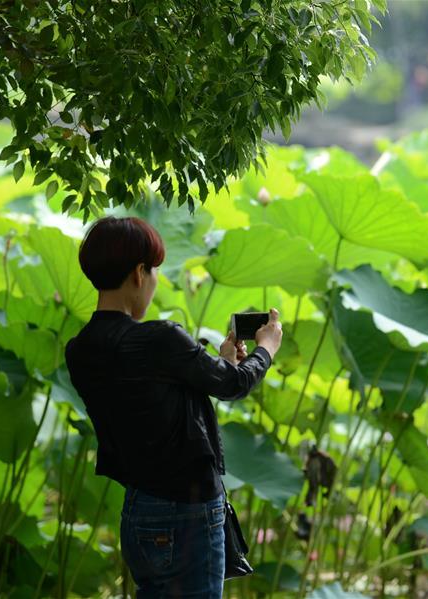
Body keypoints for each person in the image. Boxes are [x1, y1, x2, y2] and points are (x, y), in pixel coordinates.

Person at [64, 216, 283, 597]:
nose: (154, 282)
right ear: (138, 273)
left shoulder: (80, 350)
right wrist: (266, 348)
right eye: (154, 272)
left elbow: (152, 400)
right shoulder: (160, 338)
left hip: (140, 511)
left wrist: (225, 361)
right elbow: (233, 385)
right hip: (187, 513)